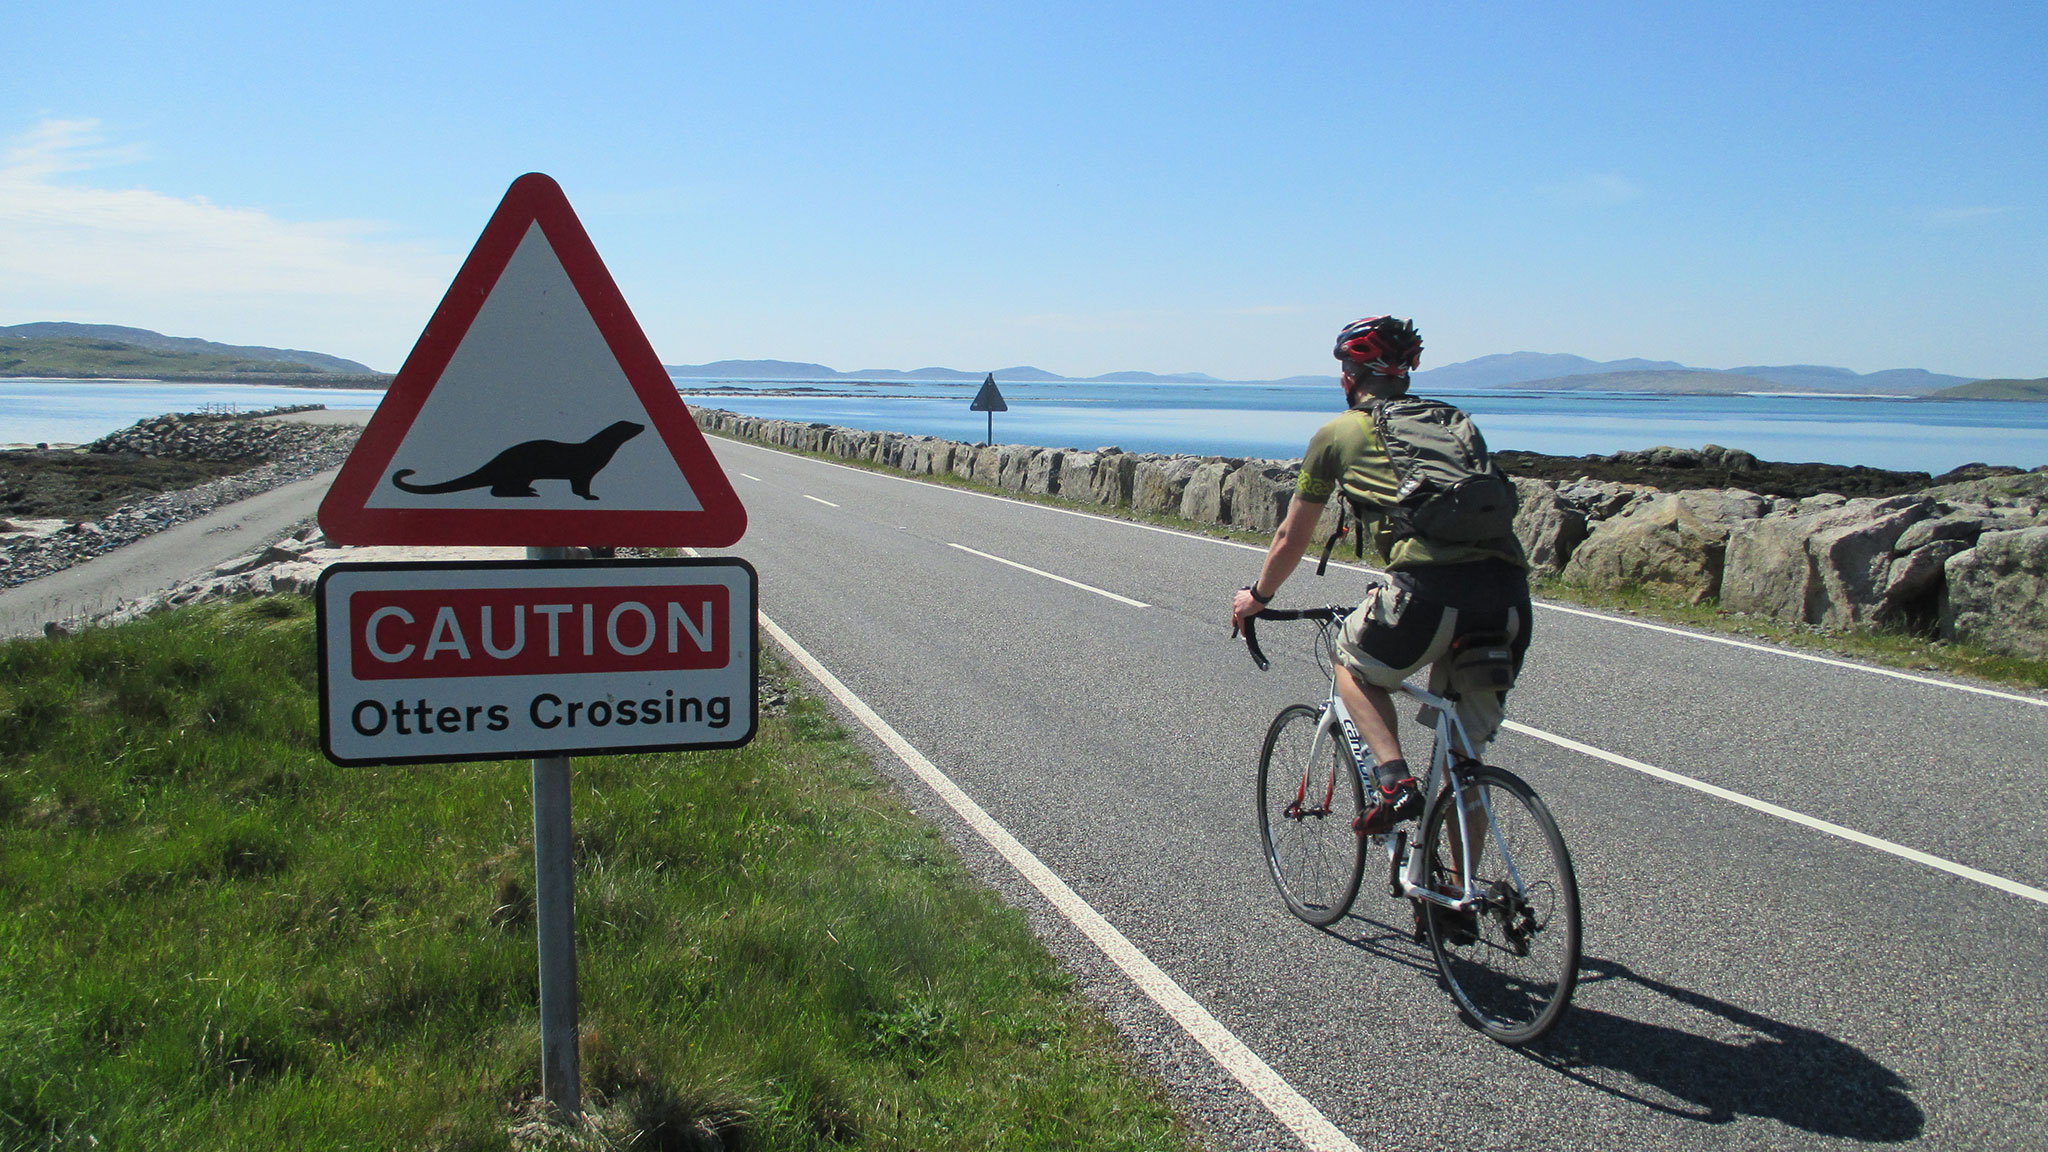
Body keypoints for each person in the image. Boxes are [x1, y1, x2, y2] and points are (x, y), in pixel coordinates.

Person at [1229, 316, 1532, 838]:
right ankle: (1458, 914)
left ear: (1349, 375)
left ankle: (1393, 782)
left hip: (1430, 593)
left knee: (1352, 662)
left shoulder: (1338, 433)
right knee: (1465, 768)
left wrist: (1257, 596)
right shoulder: (1453, 421)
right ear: (1405, 375)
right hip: (1508, 596)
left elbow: (1290, 538)